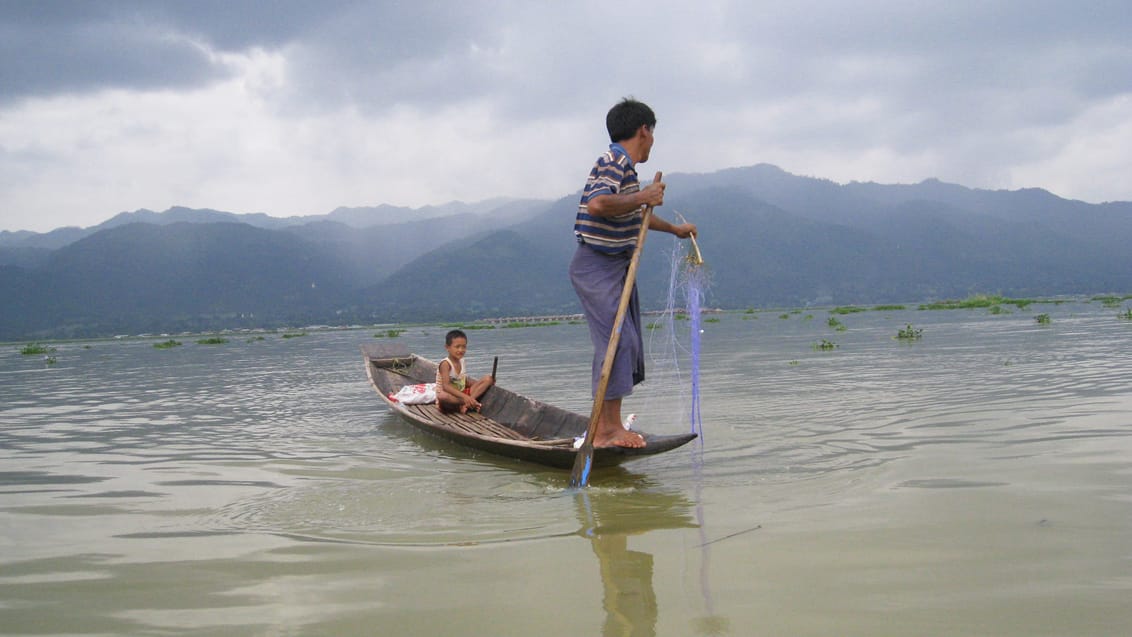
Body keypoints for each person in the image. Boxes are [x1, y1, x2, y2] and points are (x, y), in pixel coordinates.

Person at [570, 97, 697, 448]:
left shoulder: (626, 169)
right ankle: (605, 430)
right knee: (616, 342)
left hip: (615, 266)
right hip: (597, 265)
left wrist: (673, 229)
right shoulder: (613, 161)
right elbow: (598, 204)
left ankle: (609, 425)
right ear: (644, 130)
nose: (653, 142)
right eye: (652, 134)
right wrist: (643, 196)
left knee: (625, 343)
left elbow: (628, 214)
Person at [435, 329, 494, 414]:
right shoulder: (445, 364)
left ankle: (467, 404)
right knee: (442, 396)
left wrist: (485, 383)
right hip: (451, 399)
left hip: (462, 394)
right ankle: (468, 403)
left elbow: (464, 380)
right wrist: (465, 398)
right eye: (457, 346)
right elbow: (446, 387)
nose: (461, 350)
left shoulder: (462, 360)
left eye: (464, 347)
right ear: (447, 347)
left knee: (488, 379)